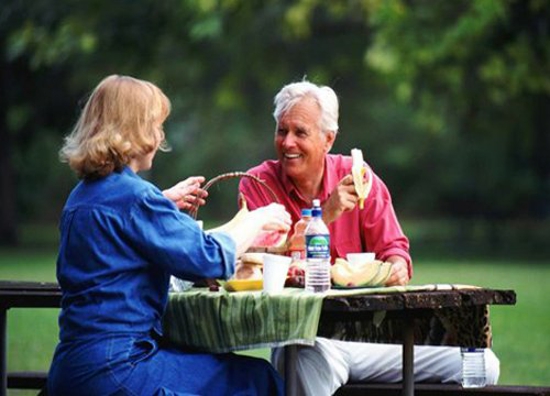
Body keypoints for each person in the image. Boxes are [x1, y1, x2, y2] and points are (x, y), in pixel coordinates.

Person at [238, 80, 500, 395]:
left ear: (328, 139)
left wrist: (396, 267)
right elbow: (260, 262)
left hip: (371, 342)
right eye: (282, 131)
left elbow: (395, 251)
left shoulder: (361, 180)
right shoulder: (258, 184)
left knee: (484, 364)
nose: (287, 142)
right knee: (302, 361)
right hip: (306, 339)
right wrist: (328, 214)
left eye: (300, 132)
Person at [47, 74, 291, 396]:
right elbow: (209, 259)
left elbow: (120, 236)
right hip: (119, 370)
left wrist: (160, 204)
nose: (161, 135)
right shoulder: (136, 198)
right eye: (156, 124)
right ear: (136, 130)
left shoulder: (80, 197)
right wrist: (258, 217)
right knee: (258, 378)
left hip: (70, 369)